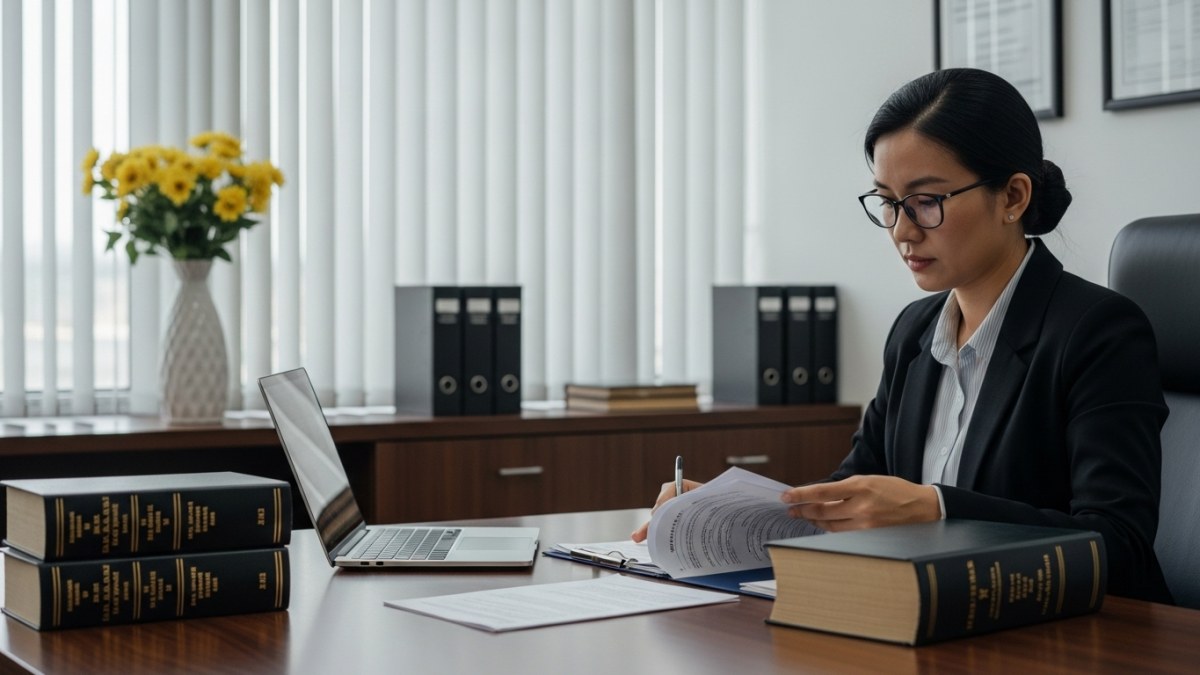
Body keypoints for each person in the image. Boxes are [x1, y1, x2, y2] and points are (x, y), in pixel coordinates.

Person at [632, 68, 1173, 604]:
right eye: (888, 202)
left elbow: (1118, 544)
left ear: (1012, 197)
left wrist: (936, 509)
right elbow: (853, 491)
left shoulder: (1098, 331)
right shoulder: (914, 332)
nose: (901, 230)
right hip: (929, 621)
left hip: (1073, 641)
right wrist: (730, 514)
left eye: (927, 201)